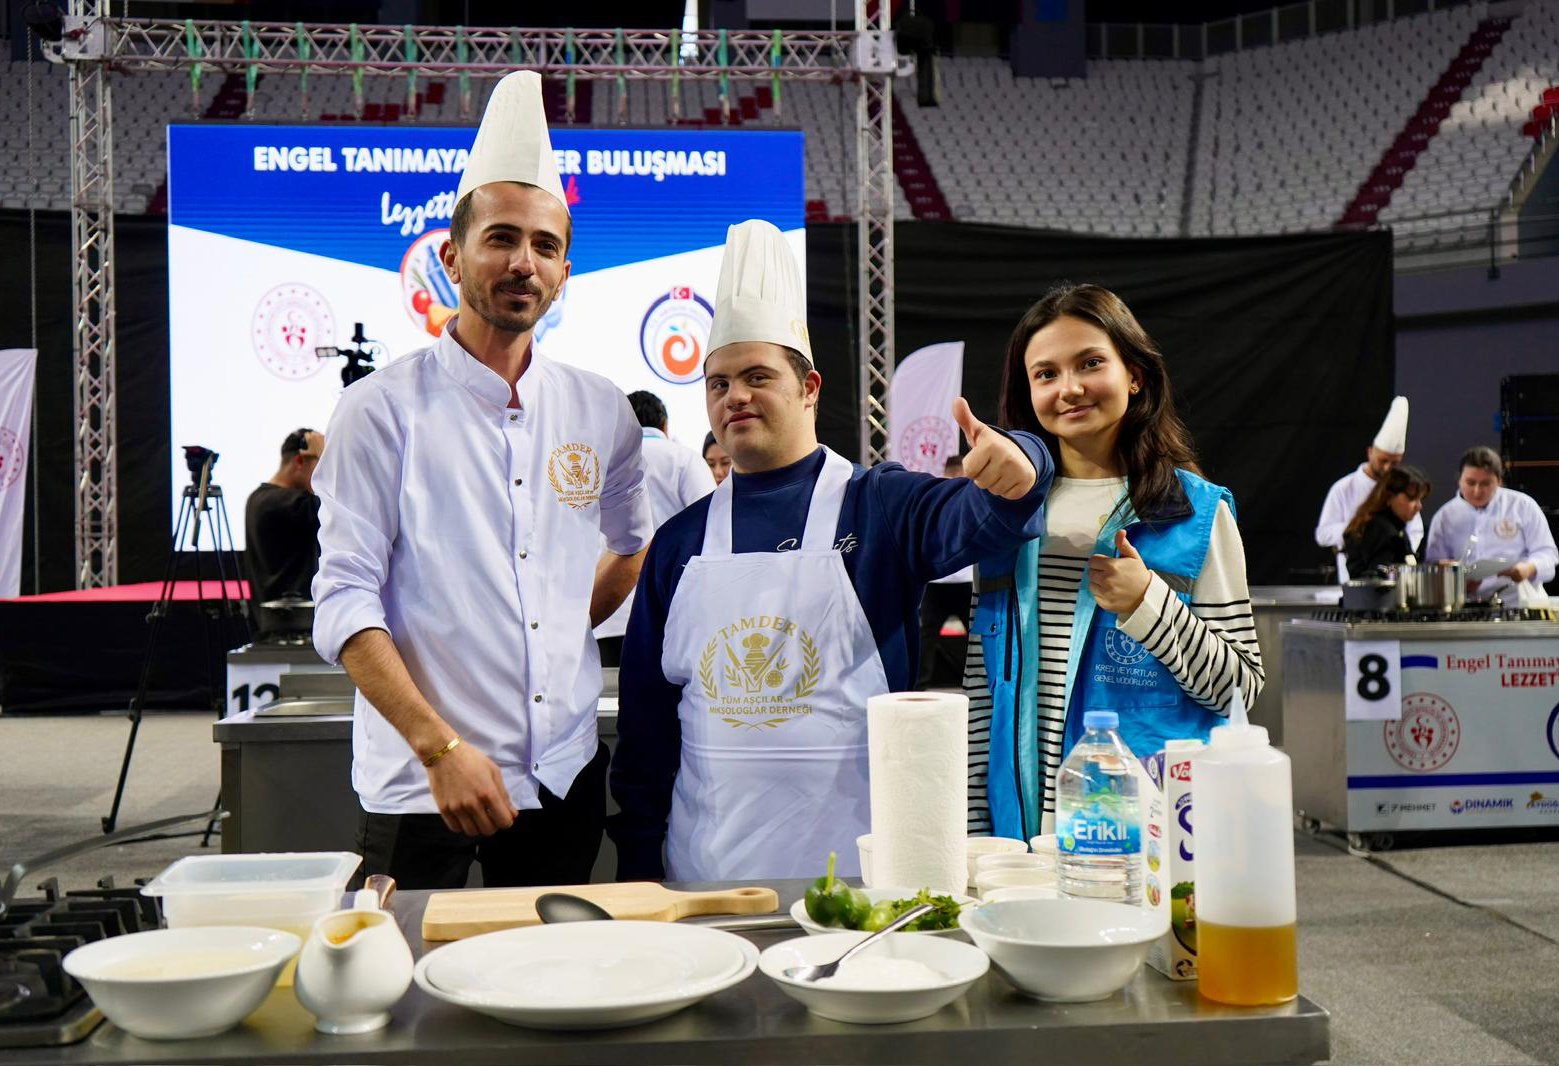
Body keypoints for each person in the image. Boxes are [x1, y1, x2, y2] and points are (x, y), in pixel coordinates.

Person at [609, 219, 1054, 882]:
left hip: (861, 879)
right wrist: (640, 868)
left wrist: (1024, 468)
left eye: (757, 376)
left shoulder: (881, 505)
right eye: (718, 383)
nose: (735, 396)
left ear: (809, 388)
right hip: (703, 883)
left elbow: (978, 519)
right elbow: (646, 728)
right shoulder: (679, 542)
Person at [311, 71, 652, 890]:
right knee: (400, 993)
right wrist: (441, 746)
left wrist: (562, 622)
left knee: (548, 986)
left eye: (543, 245)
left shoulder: (600, 410)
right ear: (452, 254)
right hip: (421, 781)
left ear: (565, 270)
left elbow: (630, 546)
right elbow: (345, 599)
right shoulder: (380, 411)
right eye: (500, 238)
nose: (521, 263)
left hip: (562, 774)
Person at [965, 283, 1264, 842]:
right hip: (1020, 840)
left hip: (1148, 836)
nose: (1069, 388)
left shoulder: (1195, 514)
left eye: (1090, 363)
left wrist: (1147, 604)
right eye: (1046, 374)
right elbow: (983, 689)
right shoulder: (1004, 518)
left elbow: (1239, 688)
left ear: (1135, 375)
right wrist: (974, 828)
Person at [595, 390, 716, 666]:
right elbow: (710, 523)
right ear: (665, 425)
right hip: (669, 611)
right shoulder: (683, 459)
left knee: (609, 703)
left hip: (608, 612)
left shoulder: (601, 463)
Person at [1424, 446, 1557, 600]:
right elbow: (1433, 564)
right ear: (1459, 480)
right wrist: (1452, 576)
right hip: (1465, 604)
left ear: (1499, 481)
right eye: (1470, 482)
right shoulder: (1444, 517)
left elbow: (1547, 553)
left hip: (1518, 600)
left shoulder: (1522, 506)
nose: (1477, 491)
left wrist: (1528, 568)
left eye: (1486, 483)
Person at [1315, 396, 1423, 582]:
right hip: (1353, 576)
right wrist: (1361, 532)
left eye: (1394, 462)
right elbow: (1323, 534)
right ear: (1370, 452)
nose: (1387, 468)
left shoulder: (1401, 489)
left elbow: (1414, 530)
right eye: (1383, 460)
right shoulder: (1343, 488)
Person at [244, 427, 324, 631]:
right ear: (299, 462)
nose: (323, 472)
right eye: (321, 464)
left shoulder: (259, 498)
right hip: (291, 630)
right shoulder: (286, 504)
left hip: (276, 626)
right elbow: (338, 504)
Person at [917, 453, 975, 689]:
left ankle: (976, 682)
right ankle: (918, 686)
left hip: (966, 579)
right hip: (938, 580)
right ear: (947, 473)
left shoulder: (975, 499)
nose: (959, 479)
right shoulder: (934, 500)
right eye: (955, 475)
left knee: (973, 636)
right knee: (927, 635)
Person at [1340, 466, 1431, 576]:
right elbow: (1378, 582)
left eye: (1420, 499)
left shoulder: (1394, 527)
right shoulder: (1380, 530)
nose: (1419, 506)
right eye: (1411, 498)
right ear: (1389, 496)